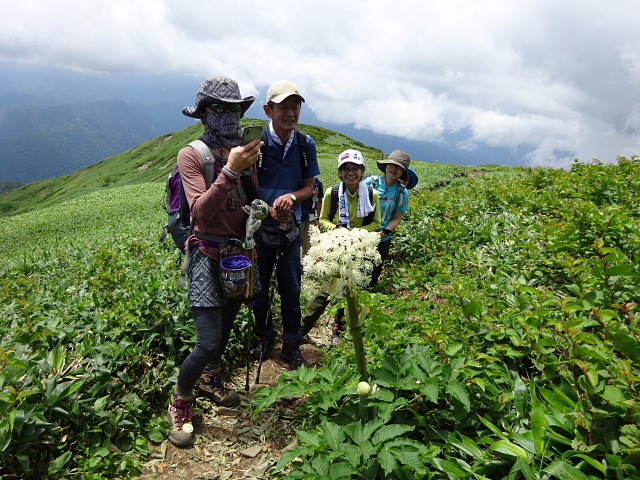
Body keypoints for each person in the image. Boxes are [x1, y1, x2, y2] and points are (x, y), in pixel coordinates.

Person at [167, 76, 263, 447]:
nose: (227, 117)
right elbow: (199, 215)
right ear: (204, 114)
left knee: (225, 326)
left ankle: (210, 377)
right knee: (207, 341)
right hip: (206, 253)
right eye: (218, 109)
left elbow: (253, 197)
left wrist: (267, 209)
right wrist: (231, 170)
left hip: (240, 254)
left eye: (234, 109)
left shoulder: (247, 149)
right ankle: (180, 400)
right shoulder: (192, 155)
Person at [252, 80, 320, 369]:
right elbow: (245, 186)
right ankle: (265, 335)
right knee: (258, 288)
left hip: (291, 230)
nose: (291, 113)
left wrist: (290, 198)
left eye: (296, 106)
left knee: (291, 288)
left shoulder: (305, 144)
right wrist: (268, 208)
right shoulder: (254, 143)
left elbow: (309, 187)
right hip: (257, 230)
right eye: (284, 107)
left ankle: (291, 343)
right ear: (269, 110)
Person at [299, 149, 381, 337]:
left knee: (351, 293)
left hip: (358, 248)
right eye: (346, 169)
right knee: (326, 291)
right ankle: (302, 329)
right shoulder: (332, 193)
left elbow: (377, 222)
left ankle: (339, 332)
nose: (350, 173)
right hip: (337, 247)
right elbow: (324, 219)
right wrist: (338, 231)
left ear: (362, 171)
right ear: (340, 172)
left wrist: (357, 235)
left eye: (355, 169)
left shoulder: (371, 194)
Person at [364, 150, 418, 287]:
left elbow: (396, 218)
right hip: (362, 232)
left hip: (383, 236)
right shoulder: (370, 182)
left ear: (403, 173)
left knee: (375, 267)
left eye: (399, 167)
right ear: (386, 166)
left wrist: (384, 232)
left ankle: (369, 293)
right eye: (391, 165)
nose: (394, 169)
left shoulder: (401, 191)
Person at [300, 176, 324, 258]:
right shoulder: (292, 179)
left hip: (310, 218)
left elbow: (319, 201)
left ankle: (305, 267)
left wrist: (319, 219)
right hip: (294, 218)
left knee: (309, 248)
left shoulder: (316, 181)